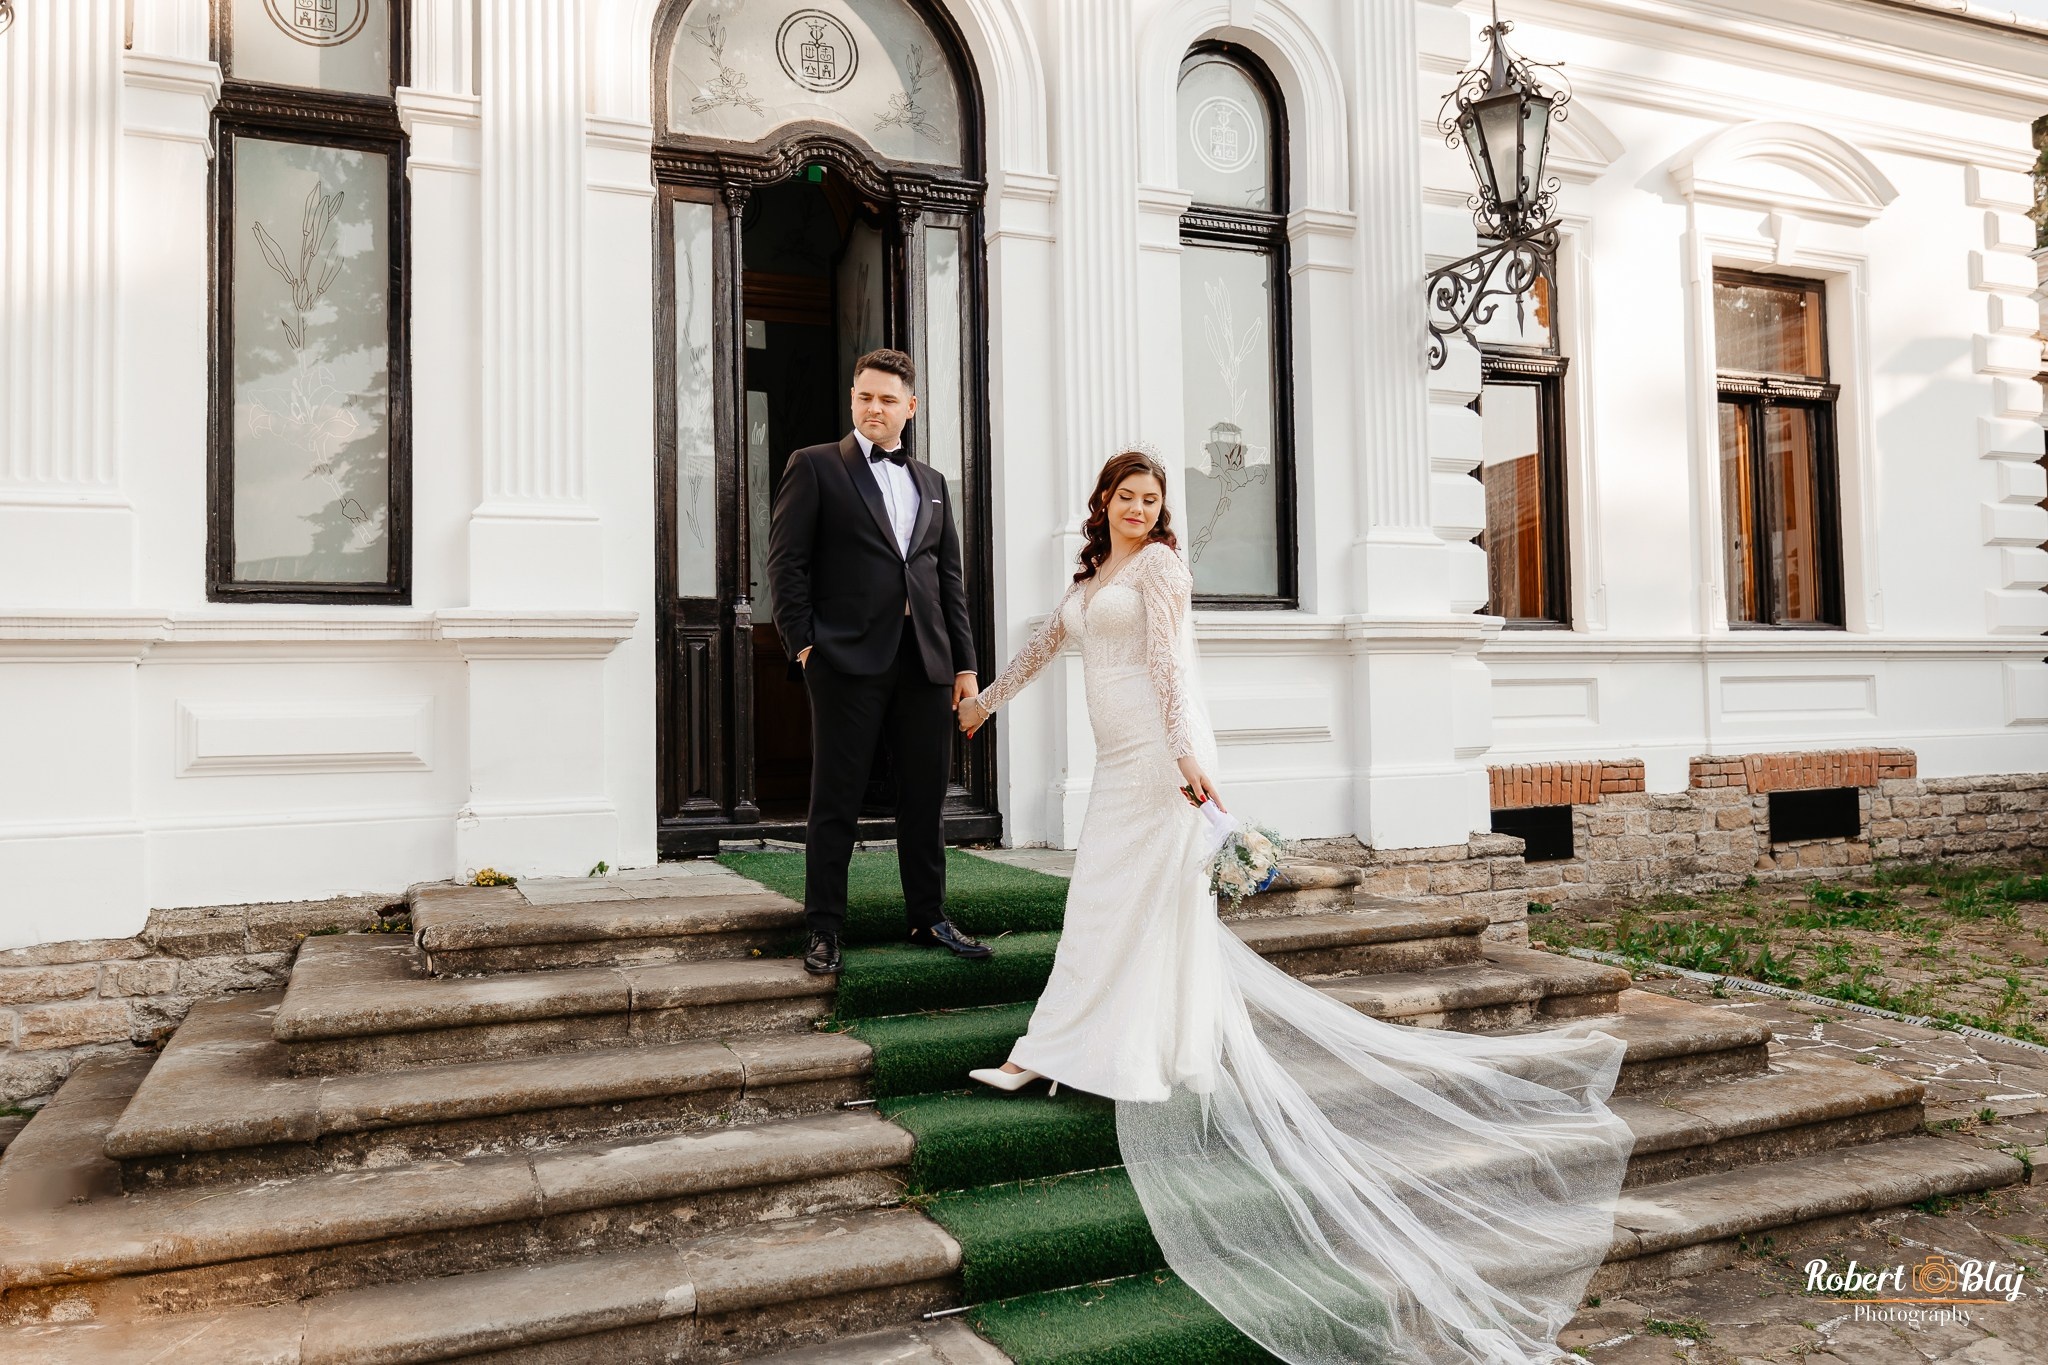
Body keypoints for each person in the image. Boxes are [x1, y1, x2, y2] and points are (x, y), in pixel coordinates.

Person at [955, 449, 1636, 1365]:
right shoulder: (1090, 578)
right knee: (1102, 907)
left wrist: (1188, 758)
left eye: (1151, 498)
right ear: (1103, 502)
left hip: (1161, 761)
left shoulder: (1161, 568)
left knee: (1129, 910)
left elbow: (1167, 666)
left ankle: (1065, 1050)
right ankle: (1072, 1046)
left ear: (1160, 510)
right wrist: (987, 702)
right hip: (1116, 765)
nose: (1138, 508)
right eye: (1127, 496)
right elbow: (1047, 642)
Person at [764, 348, 993, 976]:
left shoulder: (933, 483)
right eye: (865, 396)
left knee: (924, 797)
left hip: (926, 662)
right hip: (844, 660)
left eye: (888, 399)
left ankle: (929, 916)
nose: (874, 407)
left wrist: (965, 667)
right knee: (835, 798)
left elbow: (948, 582)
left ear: (909, 407)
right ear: (853, 398)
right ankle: (824, 927)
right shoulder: (814, 465)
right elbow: (786, 564)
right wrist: (804, 646)